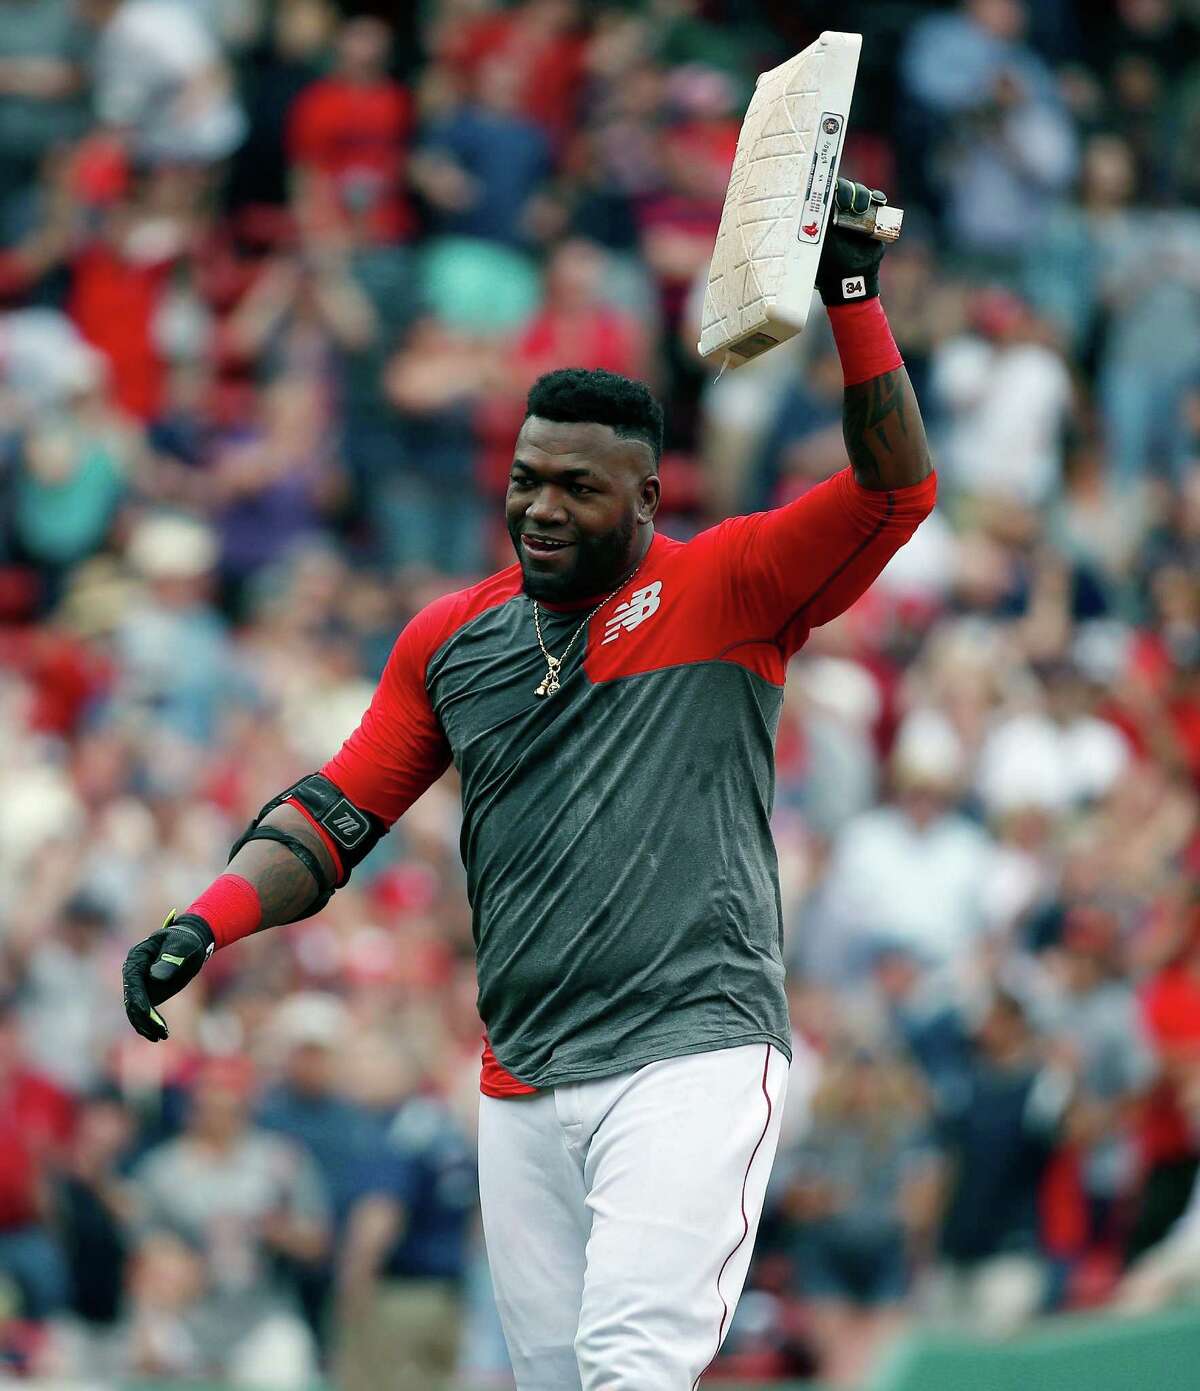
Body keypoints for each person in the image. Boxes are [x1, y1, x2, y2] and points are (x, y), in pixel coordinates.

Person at [123, 179, 937, 1391]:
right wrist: (208, 917)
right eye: (528, 477)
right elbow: (335, 812)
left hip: (689, 1055)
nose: (542, 506)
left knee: (628, 1370)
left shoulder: (729, 583)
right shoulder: (454, 639)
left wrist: (853, 297)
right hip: (521, 1078)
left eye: (578, 486)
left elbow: (894, 490)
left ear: (649, 496)